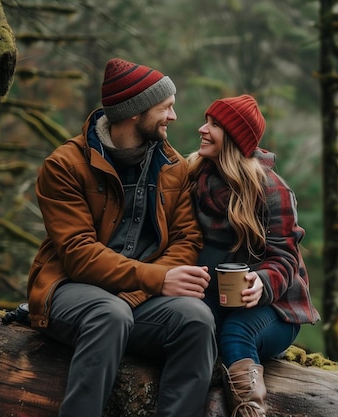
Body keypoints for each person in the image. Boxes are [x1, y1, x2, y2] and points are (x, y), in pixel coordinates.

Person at [27, 58, 217, 417]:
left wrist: (144, 287)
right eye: (166, 108)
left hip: (140, 298)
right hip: (69, 288)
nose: (174, 117)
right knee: (110, 313)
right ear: (134, 113)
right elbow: (78, 255)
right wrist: (156, 279)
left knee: (197, 318)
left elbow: (187, 240)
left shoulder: (172, 166)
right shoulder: (65, 165)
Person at [187, 94, 321, 417]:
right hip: (214, 297)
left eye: (214, 125)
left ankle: (250, 410)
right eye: (207, 121)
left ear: (233, 138)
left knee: (236, 333)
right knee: (193, 325)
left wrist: (262, 282)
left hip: (276, 305)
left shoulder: (272, 191)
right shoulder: (193, 177)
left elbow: (286, 259)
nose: (202, 130)